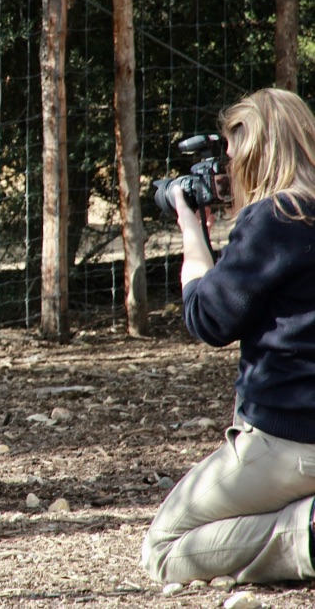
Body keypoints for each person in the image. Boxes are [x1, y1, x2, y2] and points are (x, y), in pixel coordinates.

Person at [142, 88, 315, 585]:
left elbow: (208, 319)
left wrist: (190, 231)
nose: (231, 170)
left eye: (235, 158)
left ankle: (306, 533)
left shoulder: (276, 217)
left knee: (163, 550)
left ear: (259, 153)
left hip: (289, 441)